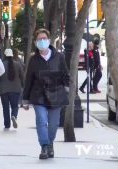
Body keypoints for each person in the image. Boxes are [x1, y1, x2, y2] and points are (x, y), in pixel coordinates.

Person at [22, 29, 70, 159]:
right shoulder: (33, 60)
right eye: (39, 39)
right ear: (36, 42)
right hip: (39, 95)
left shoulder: (59, 57)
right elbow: (28, 80)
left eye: (44, 38)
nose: (42, 41)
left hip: (56, 94)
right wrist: (25, 99)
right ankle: (44, 146)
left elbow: (65, 74)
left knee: (53, 124)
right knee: (41, 120)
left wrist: (67, 88)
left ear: (49, 40)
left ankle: (50, 143)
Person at [0, 49, 24, 129]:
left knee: (5, 108)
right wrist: (23, 86)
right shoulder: (17, 64)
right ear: (12, 55)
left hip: (3, 90)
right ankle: (14, 116)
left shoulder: (1, 65)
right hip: (15, 89)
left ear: (4, 55)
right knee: (14, 106)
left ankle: (7, 124)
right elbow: (22, 77)